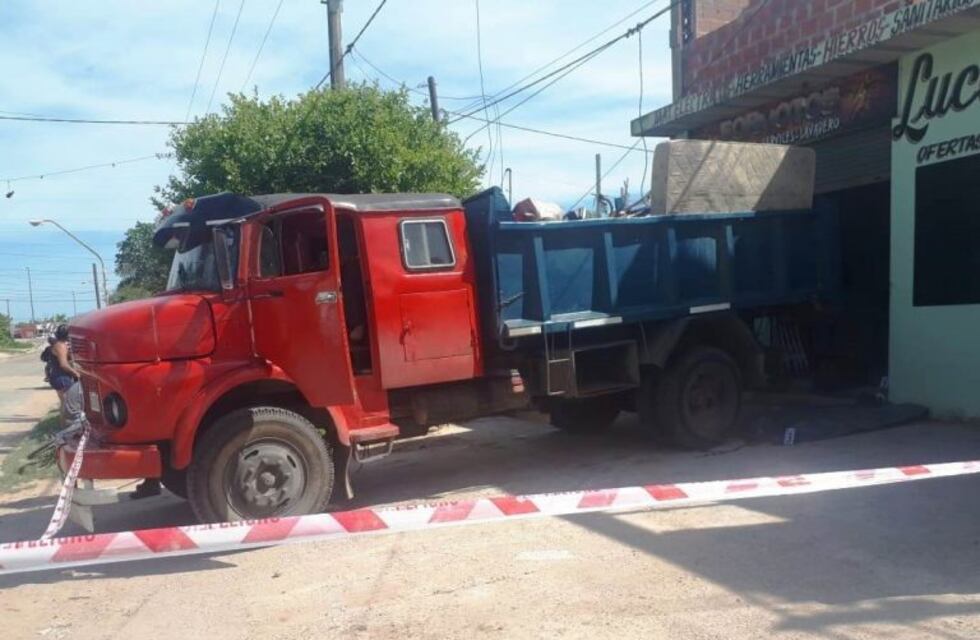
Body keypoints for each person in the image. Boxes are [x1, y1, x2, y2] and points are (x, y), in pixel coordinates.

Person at [48, 325, 80, 424]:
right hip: (61, 377)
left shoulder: (58, 344)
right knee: (66, 403)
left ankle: (63, 424)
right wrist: (76, 374)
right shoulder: (61, 345)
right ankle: (64, 425)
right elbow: (63, 364)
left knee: (63, 402)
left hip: (57, 376)